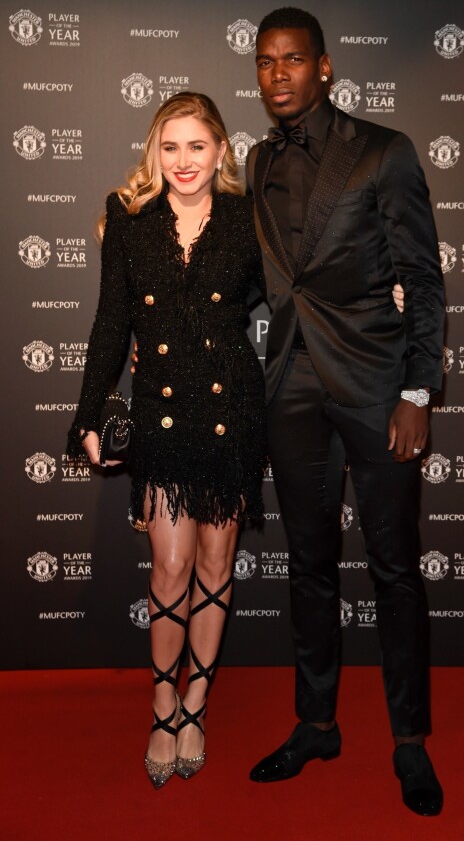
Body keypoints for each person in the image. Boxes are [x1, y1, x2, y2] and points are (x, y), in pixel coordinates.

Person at [246, 8, 445, 817]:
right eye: (265, 62)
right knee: (308, 566)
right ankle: (317, 721)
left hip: (374, 387)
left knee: (395, 570)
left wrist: (417, 390)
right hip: (291, 387)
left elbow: (423, 278)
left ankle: (409, 741)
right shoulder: (257, 160)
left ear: (325, 67)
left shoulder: (384, 151)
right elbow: (264, 279)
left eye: (294, 60)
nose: (279, 74)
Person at [67, 92, 267, 789]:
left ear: (220, 152)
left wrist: (381, 299)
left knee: (216, 566)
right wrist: (89, 415)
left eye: (198, 147)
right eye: (171, 147)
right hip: (161, 417)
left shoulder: (248, 220)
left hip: (231, 413)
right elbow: (108, 325)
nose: (184, 161)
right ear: (157, 152)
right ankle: (161, 701)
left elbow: (305, 294)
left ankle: (196, 701)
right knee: (171, 569)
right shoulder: (129, 222)